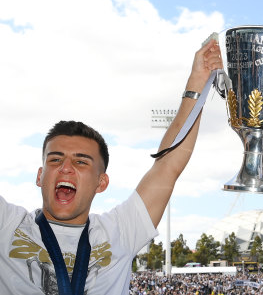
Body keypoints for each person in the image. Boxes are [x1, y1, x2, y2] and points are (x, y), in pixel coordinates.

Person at [1, 39, 222, 294]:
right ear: (40, 176)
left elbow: (168, 166)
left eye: (81, 161)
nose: (66, 167)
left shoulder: (119, 231)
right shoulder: (7, 225)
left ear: (101, 182)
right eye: (55, 159)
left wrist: (198, 83)